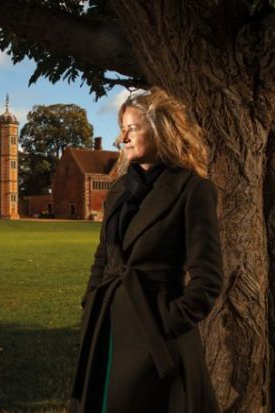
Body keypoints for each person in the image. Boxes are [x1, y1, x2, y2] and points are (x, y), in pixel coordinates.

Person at [69, 87, 224, 413]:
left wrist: (169, 322)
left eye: (132, 128)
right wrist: (91, 303)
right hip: (107, 323)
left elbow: (207, 279)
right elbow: (103, 257)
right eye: (122, 128)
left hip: (156, 332)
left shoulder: (193, 190)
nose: (121, 138)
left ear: (161, 131)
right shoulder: (118, 191)